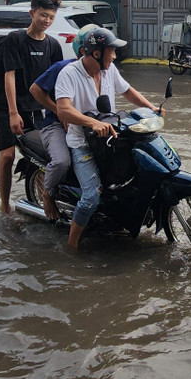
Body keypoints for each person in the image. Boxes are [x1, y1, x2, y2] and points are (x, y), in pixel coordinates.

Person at [54, 28, 162, 249]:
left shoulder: (109, 70)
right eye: (111, 51)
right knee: (91, 197)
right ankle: (71, 245)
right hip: (82, 143)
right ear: (96, 53)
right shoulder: (69, 74)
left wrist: (151, 107)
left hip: (109, 138)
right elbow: (63, 110)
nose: (114, 56)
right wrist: (92, 122)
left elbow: (127, 91)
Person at [0, 0, 63, 215]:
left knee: (44, 156)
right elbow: (9, 75)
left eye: (51, 17)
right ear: (32, 13)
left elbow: (56, 82)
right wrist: (14, 113)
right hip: (8, 106)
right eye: (43, 15)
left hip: (37, 109)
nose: (46, 21)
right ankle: (5, 205)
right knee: (7, 156)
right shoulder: (15, 39)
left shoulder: (53, 45)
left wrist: (62, 111)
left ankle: (45, 196)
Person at [28, 24, 99, 220]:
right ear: (85, 50)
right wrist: (58, 110)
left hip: (82, 126)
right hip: (55, 126)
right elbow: (35, 90)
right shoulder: (63, 68)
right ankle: (48, 194)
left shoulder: (102, 71)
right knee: (61, 161)